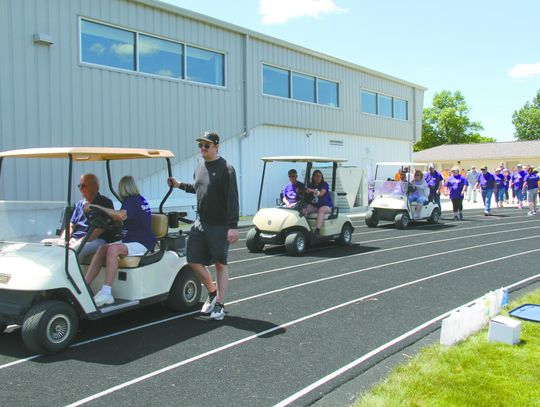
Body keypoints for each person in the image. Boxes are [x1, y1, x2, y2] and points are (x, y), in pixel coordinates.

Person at [168, 131, 239, 321]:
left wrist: (232, 226)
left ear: (216, 146)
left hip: (219, 225)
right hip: (200, 223)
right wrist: (179, 185)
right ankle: (212, 293)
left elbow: (233, 199)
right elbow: (198, 188)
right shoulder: (199, 166)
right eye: (201, 145)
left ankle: (220, 304)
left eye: (206, 145)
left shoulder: (227, 169)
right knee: (192, 260)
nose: (203, 149)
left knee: (220, 264)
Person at [84, 175, 156, 307]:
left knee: (113, 249)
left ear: (123, 188)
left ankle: (106, 292)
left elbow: (119, 215)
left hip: (142, 243)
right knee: (102, 249)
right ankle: (84, 286)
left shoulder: (132, 201)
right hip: (131, 240)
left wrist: (96, 207)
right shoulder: (137, 199)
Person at [59, 173, 115, 262]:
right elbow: (71, 225)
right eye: (79, 186)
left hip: (96, 240)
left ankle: (74, 275)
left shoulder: (105, 203)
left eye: (83, 186)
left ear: (95, 187)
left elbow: (98, 230)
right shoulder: (80, 204)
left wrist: (79, 243)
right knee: (53, 248)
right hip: (77, 239)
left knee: (74, 252)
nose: (80, 189)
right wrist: (64, 239)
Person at [305, 169, 333, 235]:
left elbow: (320, 194)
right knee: (303, 211)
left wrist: (311, 190)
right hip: (315, 206)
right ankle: (305, 229)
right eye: (317, 176)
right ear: (313, 177)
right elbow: (307, 197)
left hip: (326, 206)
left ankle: (317, 230)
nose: (319, 178)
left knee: (321, 210)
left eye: (320, 176)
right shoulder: (311, 185)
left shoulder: (324, 184)